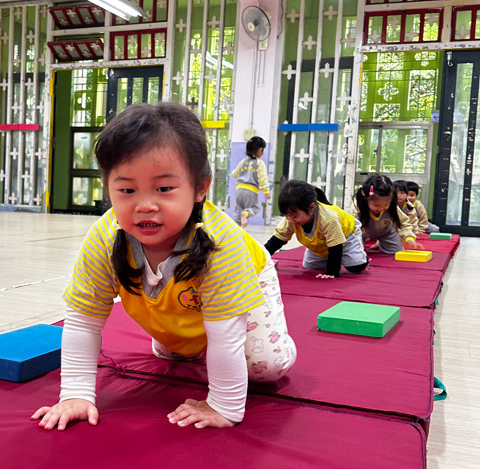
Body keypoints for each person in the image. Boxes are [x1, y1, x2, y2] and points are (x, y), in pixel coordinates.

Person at [32, 103, 296, 432]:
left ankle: (265, 340)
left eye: (164, 189)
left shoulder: (222, 244)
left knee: (265, 367)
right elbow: (83, 321)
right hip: (180, 298)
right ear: (108, 188)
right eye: (127, 190)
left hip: (248, 276)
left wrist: (223, 405)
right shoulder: (105, 237)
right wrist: (75, 394)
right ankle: (183, 338)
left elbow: (226, 337)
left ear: (200, 187)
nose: (145, 205)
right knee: (177, 350)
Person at [263, 180, 368, 278]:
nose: (290, 219)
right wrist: (260, 258)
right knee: (310, 267)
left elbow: (336, 246)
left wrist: (331, 272)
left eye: (294, 216)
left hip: (346, 235)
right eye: (286, 215)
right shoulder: (290, 219)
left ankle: (359, 255)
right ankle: (327, 256)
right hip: (323, 242)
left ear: (312, 208)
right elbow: (276, 241)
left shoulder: (328, 218)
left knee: (356, 266)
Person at [353, 174, 418, 253]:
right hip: (362, 233)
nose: (381, 209)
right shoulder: (357, 207)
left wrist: (408, 238)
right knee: (355, 252)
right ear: (366, 198)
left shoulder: (392, 206)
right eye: (376, 205)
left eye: (386, 205)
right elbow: (352, 229)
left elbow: (404, 222)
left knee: (397, 251)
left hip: (386, 232)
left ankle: (380, 243)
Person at [231, 136, 271, 228]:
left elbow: (235, 174)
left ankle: (235, 229)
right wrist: (265, 191)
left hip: (239, 189)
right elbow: (262, 178)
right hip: (251, 191)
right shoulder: (259, 163)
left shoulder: (243, 161)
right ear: (260, 150)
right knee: (254, 208)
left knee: (238, 210)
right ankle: (245, 214)